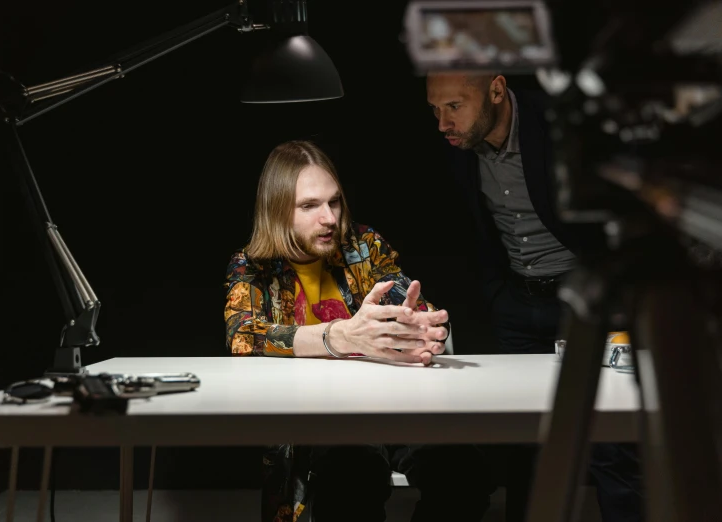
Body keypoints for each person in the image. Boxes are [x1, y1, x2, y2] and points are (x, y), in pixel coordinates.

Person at [224, 139, 497, 522]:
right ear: (277, 211)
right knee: (353, 475)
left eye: (334, 202)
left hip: (393, 405)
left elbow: (409, 300)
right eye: (309, 206)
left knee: (464, 471)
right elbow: (243, 335)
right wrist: (338, 337)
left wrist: (423, 323)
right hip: (322, 418)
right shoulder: (254, 265)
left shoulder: (362, 245)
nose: (329, 218)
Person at [426, 71, 643, 522]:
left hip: (582, 301)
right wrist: (495, 294)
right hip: (516, 305)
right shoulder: (459, 146)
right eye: (434, 109)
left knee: (609, 442)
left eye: (453, 107)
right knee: (524, 443)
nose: (442, 123)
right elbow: (460, 228)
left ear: (497, 91)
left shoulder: (559, 124)